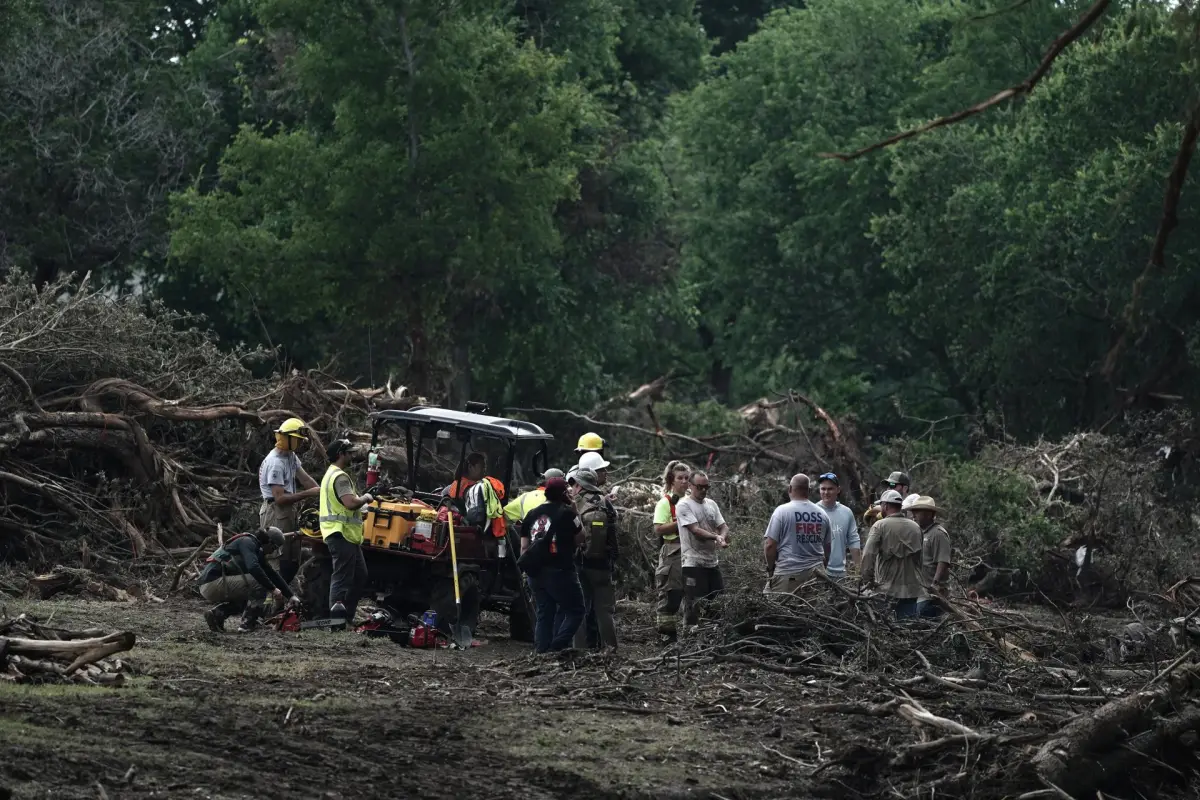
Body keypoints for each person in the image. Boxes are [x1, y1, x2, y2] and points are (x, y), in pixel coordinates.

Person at [519, 477, 586, 653]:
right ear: (564, 494)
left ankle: (541, 653)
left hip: (535, 572)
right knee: (576, 610)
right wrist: (575, 511)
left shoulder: (531, 514)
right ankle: (557, 647)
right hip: (560, 571)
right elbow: (581, 538)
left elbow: (524, 547)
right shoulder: (568, 514)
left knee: (544, 613)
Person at [258, 417, 321, 585]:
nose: (300, 444)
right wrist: (308, 493)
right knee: (275, 557)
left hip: (288, 511)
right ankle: (269, 598)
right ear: (288, 439)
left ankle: (287, 593)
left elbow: (305, 479)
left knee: (293, 555)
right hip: (275, 513)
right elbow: (279, 499)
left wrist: (322, 493)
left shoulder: (290, 457)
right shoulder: (275, 463)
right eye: (298, 441)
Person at [319, 438, 374, 629]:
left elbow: (345, 507)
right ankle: (336, 624)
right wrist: (366, 497)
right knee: (341, 578)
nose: (352, 456)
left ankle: (347, 618)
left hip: (347, 535)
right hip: (340, 534)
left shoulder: (331, 474)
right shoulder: (340, 477)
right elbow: (350, 503)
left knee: (360, 575)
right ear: (341, 454)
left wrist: (360, 512)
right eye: (349, 453)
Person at [200, 527, 299, 632]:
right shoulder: (247, 542)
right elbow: (253, 567)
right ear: (269, 542)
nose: (272, 552)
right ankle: (248, 623)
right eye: (273, 548)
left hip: (212, 583)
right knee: (259, 582)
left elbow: (271, 574)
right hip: (212, 583)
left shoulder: (254, 547)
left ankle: (217, 614)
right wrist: (272, 589)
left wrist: (291, 595)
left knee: (251, 590)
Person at [571, 468, 619, 650]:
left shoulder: (575, 502)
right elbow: (614, 533)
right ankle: (611, 649)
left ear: (580, 485)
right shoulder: (606, 503)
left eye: (574, 483)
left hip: (581, 563)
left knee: (580, 609)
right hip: (603, 565)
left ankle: (580, 651)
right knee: (605, 611)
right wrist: (613, 559)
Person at [676, 471, 730, 626]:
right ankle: (690, 640)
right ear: (691, 486)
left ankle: (713, 639)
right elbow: (695, 530)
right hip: (693, 563)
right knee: (695, 606)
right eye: (700, 487)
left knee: (717, 604)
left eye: (707, 487)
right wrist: (716, 537)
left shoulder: (711, 504)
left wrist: (723, 536)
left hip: (712, 563)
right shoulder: (684, 505)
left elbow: (723, 526)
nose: (704, 490)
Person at [860, 489, 925, 618]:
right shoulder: (916, 527)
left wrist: (868, 582)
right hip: (911, 590)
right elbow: (920, 560)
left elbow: (868, 555)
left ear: (885, 506)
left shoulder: (880, 526)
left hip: (886, 590)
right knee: (908, 630)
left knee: (885, 630)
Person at [764, 474, 831, 594]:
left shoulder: (781, 512)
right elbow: (828, 548)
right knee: (813, 611)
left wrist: (770, 569)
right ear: (809, 491)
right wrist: (822, 568)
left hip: (789, 575)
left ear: (790, 489)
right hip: (816, 575)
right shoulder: (823, 514)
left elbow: (770, 545)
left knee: (777, 609)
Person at [652, 461, 690, 640]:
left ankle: (691, 637)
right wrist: (680, 522)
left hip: (692, 551)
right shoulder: (665, 503)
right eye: (680, 478)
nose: (684, 482)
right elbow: (658, 529)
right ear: (671, 480)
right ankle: (667, 637)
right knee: (670, 595)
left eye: (687, 478)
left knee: (693, 596)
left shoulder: (692, 501)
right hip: (673, 551)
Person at [911, 496, 951, 618]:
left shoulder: (938, 534)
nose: (914, 514)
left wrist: (935, 584)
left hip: (932, 593)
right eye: (914, 511)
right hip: (918, 590)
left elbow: (943, 561)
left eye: (918, 511)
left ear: (929, 514)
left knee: (919, 615)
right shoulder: (919, 532)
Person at [816, 472, 860, 579]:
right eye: (823, 489)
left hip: (840, 574)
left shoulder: (846, 512)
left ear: (838, 490)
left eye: (830, 489)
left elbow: (853, 541)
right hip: (818, 573)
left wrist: (859, 570)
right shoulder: (812, 512)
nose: (826, 492)